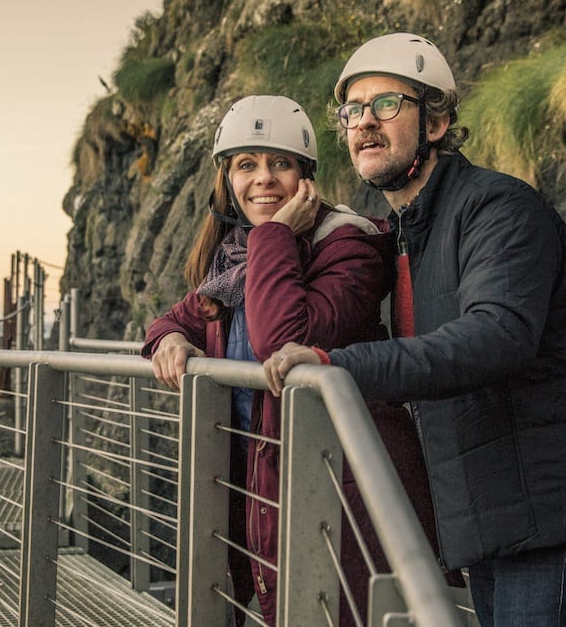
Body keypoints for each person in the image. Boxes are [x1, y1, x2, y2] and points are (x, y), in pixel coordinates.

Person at [262, 33, 566, 626]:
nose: (365, 122)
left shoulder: (500, 208)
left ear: (436, 121)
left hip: (554, 515)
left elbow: (498, 336)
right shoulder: (405, 232)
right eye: (352, 111)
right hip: (488, 513)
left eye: (386, 104)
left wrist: (341, 364)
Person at [143, 95, 453, 626]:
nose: (263, 179)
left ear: (306, 178)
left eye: (280, 164)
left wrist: (275, 235)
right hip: (253, 487)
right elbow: (174, 320)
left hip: (338, 497)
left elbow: (279, 340)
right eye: (246, 165)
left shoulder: (347, 247)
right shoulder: (233, 261)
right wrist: (168, 339)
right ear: (227, 181)